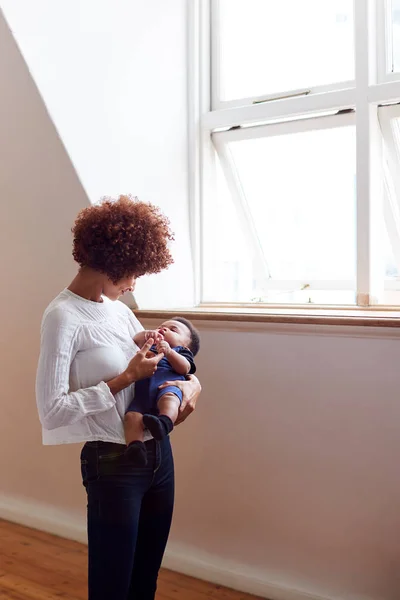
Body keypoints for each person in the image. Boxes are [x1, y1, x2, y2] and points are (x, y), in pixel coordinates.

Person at [35, 195, 201, 600]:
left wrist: (192, 384)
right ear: (114, 262)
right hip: (111, 462)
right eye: (133, 274)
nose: (133, 285)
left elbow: (160, 366)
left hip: (158, 455)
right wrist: (124, 377)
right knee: (113, 587)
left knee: (145, 580)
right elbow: (51, 410)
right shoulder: (62, 316)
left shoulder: (118, 310)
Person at [124, 318, 200, 465]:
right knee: (131, 416)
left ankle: (164, 422)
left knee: (170, 400)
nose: (164, 329)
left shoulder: (181, 351)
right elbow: (134, 340)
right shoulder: (148, 347)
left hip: (166, 386)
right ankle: (135, 447)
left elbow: (184, 368)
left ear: (186, 345)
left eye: (173, 329)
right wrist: (145, 335)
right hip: (142, 394)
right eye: (161, 327)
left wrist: (169, 352)